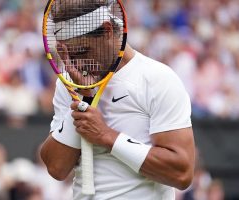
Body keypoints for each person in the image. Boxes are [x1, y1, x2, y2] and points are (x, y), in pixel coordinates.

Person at [40, 0, 195, 199]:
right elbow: (56, 167)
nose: (77, 64)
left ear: (107, 31)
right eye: (70, 55)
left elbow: (181, 173)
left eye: (83, 51)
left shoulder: (158, 78)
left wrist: (107, 136)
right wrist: (84, 98)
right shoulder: (70, 81)